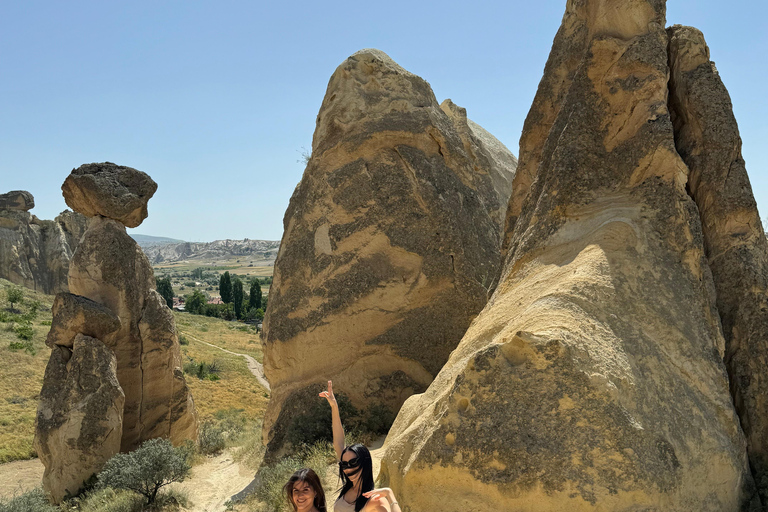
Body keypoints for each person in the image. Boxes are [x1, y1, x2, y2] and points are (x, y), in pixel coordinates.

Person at [319, 381, 401, 512]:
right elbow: (338, 443)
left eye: (353, 463)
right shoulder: (348, 488)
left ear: (365, 462)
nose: (348, 469)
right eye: (344, 465)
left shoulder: (376, 500)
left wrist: (390, 494)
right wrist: (334, 407)